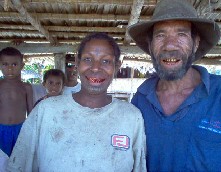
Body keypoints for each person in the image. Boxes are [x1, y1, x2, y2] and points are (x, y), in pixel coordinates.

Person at [7, 33, 147, 172]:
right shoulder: (46, 111)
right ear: (77, 62)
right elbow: (18, 165)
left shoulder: (131, 117)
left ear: (117, 66)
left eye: (106, 61)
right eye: (87, 59)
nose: (95, 67)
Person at [128, 0, 221, 171]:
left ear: (195, 43)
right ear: (151, 46)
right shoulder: (140, 101)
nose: (170, 45)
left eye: (181, 34)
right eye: (160, 35)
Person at [0, 47, 33, 157]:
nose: (10, 68)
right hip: (1, 130)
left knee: (19, 159)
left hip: (21, 129)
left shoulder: (26, 87)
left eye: (14, 64)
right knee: (2, 160)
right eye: (5, 64)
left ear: (22, 66)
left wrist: (31, 130)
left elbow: (31, 112)